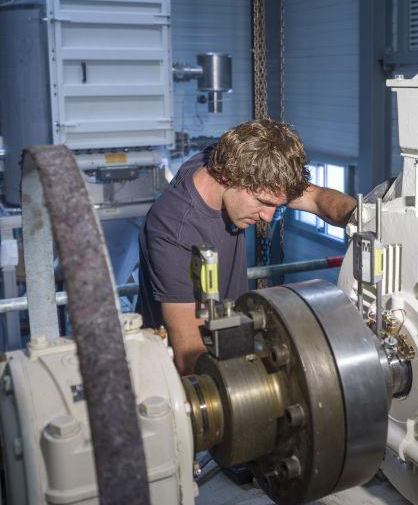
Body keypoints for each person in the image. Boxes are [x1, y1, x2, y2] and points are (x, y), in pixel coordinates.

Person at [138, 119, 356, 374]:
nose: (268, 216)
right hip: (171, 370)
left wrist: (362, 218)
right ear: (227, 176)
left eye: (277, 205)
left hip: (230, 334)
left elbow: (318, 200)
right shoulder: (173, 230)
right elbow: (188, 353)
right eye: (263, 203)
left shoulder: (228, 161)